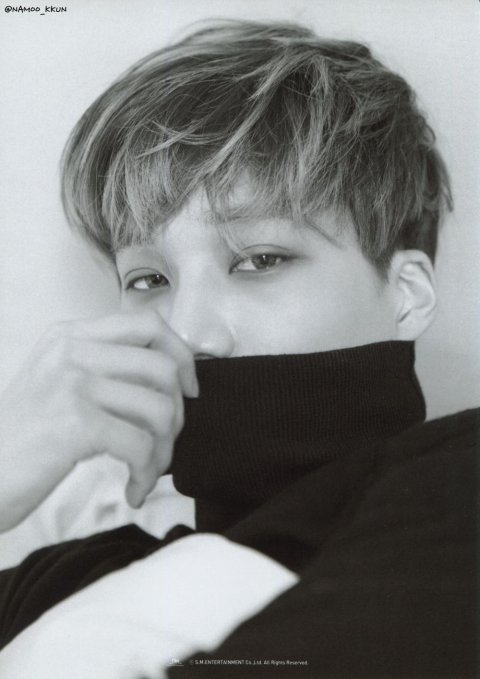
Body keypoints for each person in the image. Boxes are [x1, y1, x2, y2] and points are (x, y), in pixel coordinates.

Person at [0, 19, 477, 678]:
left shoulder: (461, 487)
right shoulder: (61, 583)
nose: (190, 333)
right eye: (149, 280)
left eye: (259, 259)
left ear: (407, 294)